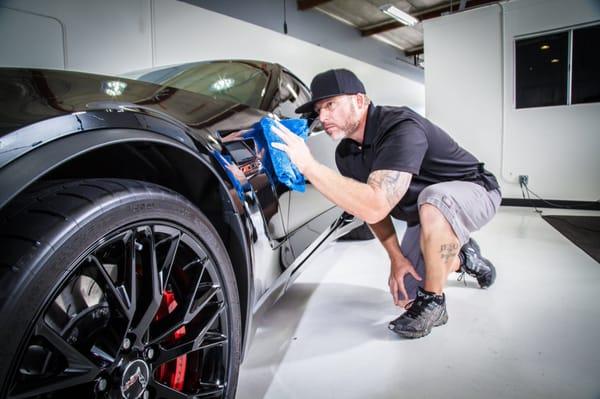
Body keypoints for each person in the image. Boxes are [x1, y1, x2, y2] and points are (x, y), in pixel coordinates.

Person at [271, 69, 501, 339]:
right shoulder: (346, 153)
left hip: (476, 191)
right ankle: (464, 258)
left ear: (359, 100)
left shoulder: (399, 127)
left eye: (331, 105)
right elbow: (367, 211)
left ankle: (434, 303)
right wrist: (397, 258)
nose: (323, 117)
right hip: (425, 214)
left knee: (433, 199)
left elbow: (377, 204)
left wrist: (309, 166)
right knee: (406, 291)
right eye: (319, 109)